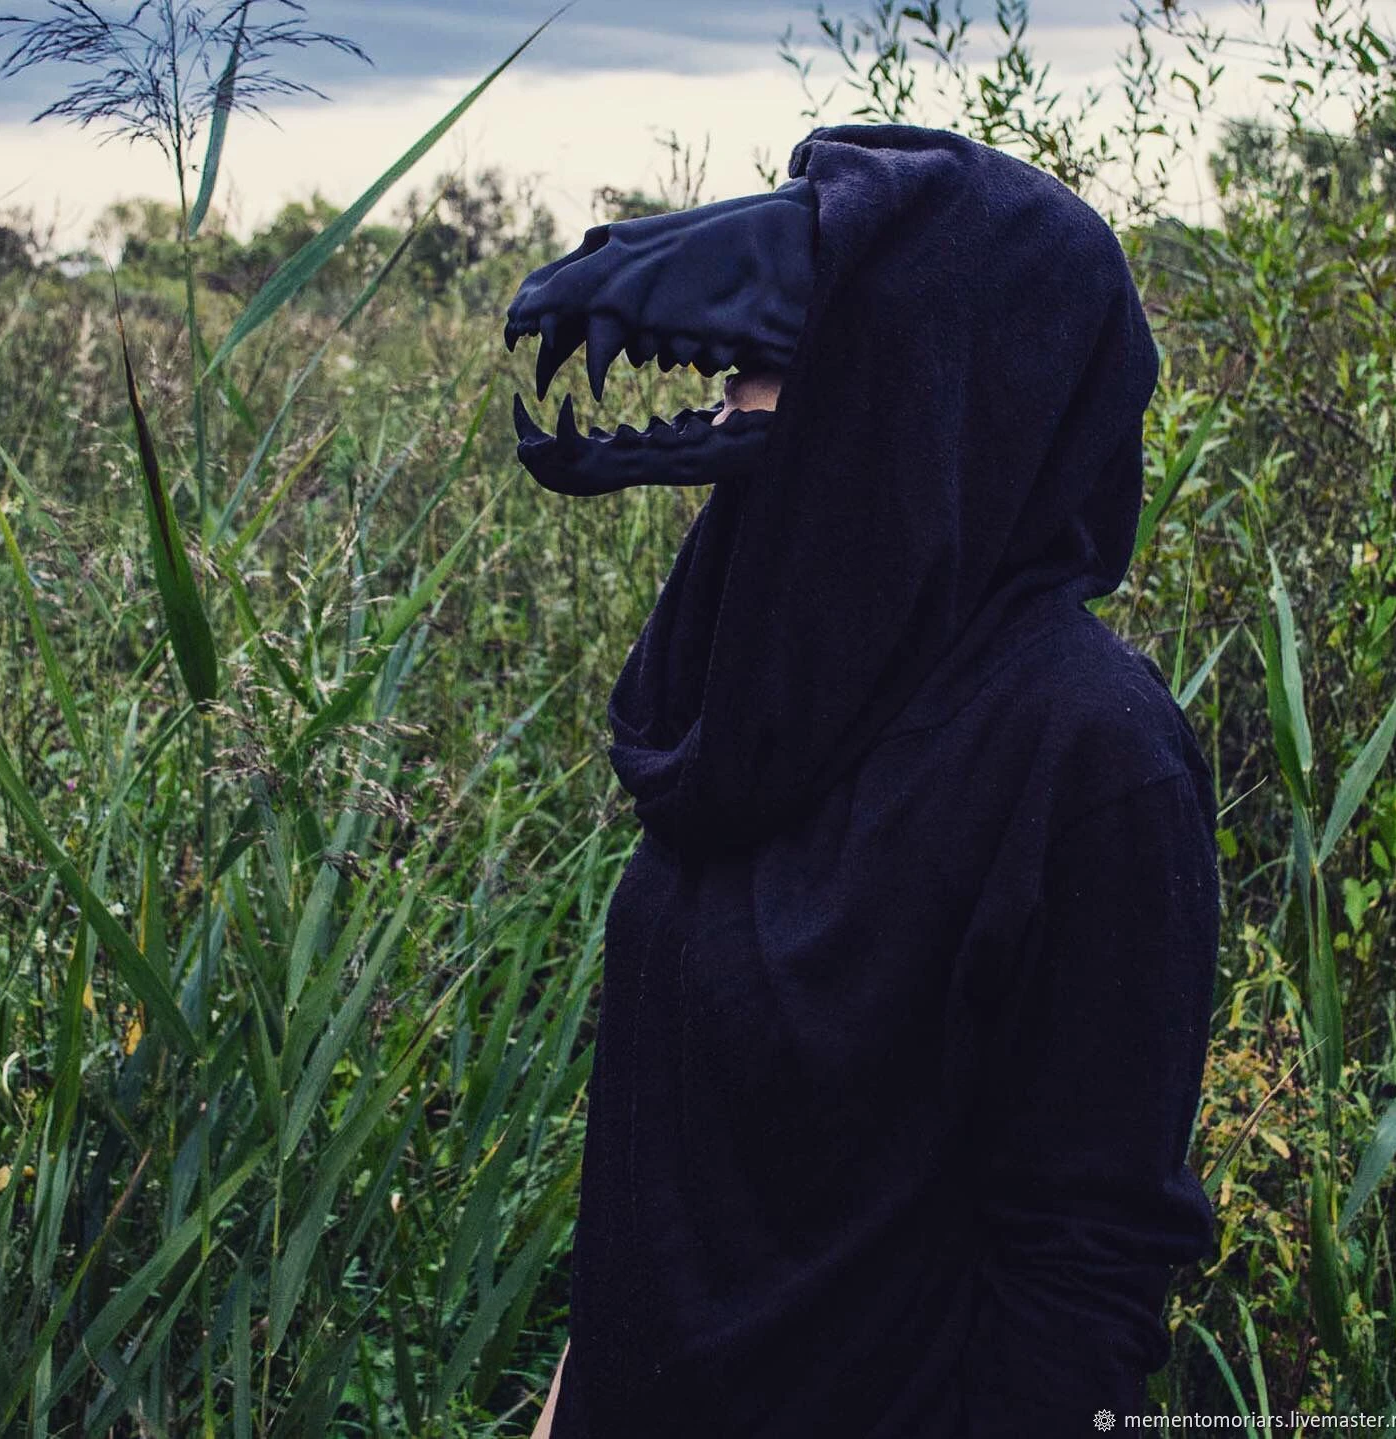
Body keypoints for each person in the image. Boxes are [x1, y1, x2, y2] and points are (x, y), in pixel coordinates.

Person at [515, 124, 1219, 1438]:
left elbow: (1080, 1285)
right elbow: (673, 1158)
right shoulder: (769, 681)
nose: (749, 356)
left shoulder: (1090, 755)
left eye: (828, 292)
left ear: (946, 368)